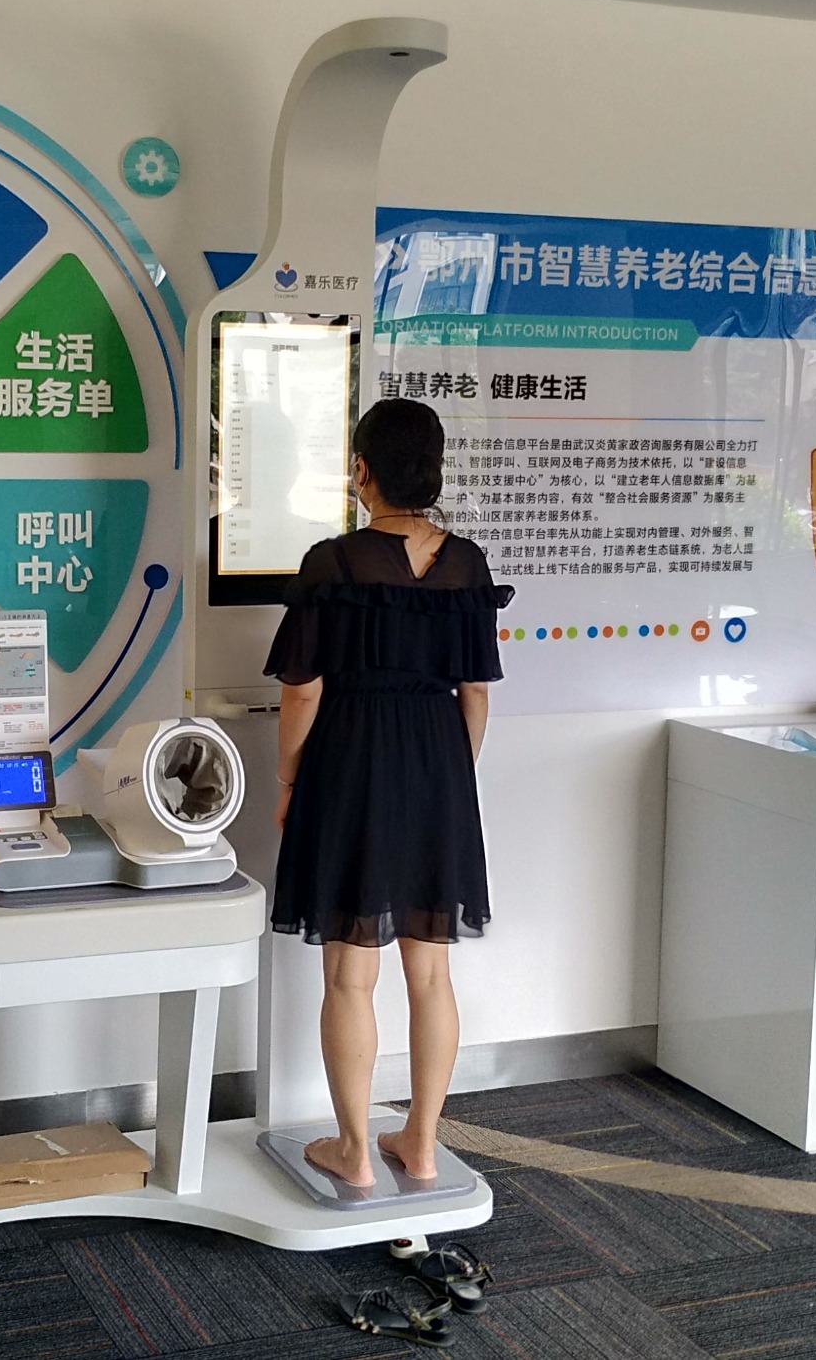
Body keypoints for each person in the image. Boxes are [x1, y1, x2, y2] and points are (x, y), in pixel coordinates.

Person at [264, 398, 510, 1188]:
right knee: (431, 974)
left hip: (352, 759)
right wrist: (451, 778)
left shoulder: (332, 564)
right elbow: (477, 692)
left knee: (350, 974)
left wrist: (289, 778)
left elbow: (302, 689)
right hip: (438, 760)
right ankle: (422, 1142)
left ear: (361, 470)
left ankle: (354, 1151)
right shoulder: (467, 564)